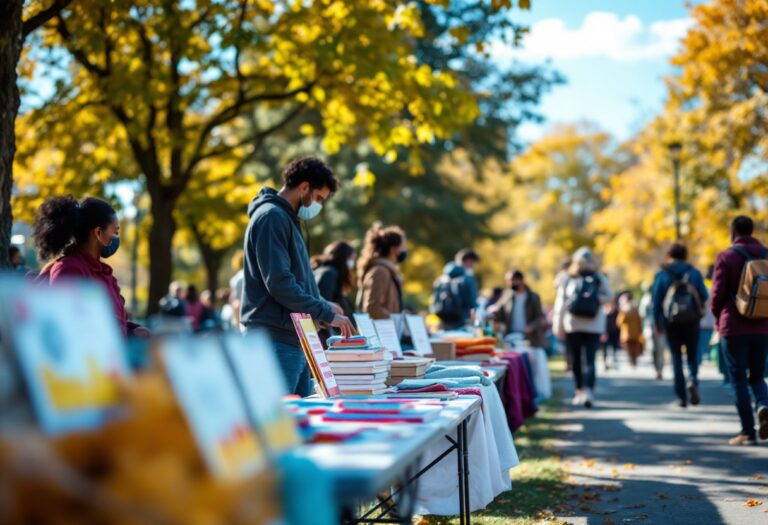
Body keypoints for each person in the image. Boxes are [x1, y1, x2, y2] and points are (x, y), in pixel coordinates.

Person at [240, 157, 354, 396]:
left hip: (296, 340)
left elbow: (297, 280)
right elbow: (280, 283)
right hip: (275, 342)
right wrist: (325, 314)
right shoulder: (272, 217)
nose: (319, 206)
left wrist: (322, 305)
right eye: (319, 198)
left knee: (300, 425)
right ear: (304, 187)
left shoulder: (287, 220)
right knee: (278, 428)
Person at [32, 195, 149, 337]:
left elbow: (116, 321)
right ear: (98, 233)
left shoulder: (105, 274)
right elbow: (74, 323)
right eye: (116, 231)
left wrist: (133, 330)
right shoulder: (68, 269)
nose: (117, 237)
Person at [710, 216, 768, 445]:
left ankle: (747, 431)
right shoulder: (766, 254)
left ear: (733, 231)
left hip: (733, 326)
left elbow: (716, 295)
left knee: (737, 379)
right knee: (757, 375)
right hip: (763, 326)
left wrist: (718, 318)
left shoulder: (726, 256)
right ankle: (763, 405)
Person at [553, 247, 612, 408]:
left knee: (578, 360)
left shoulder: (568, 278)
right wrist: (596, 299)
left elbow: (560, 303)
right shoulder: (598, 278)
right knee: (589, 359)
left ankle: (580, 390)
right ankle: (587, 390)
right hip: (594, 325)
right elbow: (609, 297)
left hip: (573, 324)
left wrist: (557, 325)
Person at [652, 243, 708, 408]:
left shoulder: (662, 274)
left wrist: (657, 322)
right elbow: (703, 296)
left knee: (676, 358)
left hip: (671, 322)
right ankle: (693, 380)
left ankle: (681, 397)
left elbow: (656, 301)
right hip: (692, 321)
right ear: (685, 255)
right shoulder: (695, 273)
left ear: (669, 255)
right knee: (692, 355)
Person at [357, 224, 407, 320]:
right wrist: (395, 320)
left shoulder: (388, 271)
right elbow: (372, 307)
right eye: (402, 247)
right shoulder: (380, 271)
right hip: (383, 332)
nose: (404, 251)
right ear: (393, 249)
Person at [491, 270, 547, 348]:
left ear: (520, 280)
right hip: (511, 336)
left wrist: (531, 326)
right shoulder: (507, 296)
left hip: (530, 339)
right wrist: (492, 312)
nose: (509, 283)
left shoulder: (533, 297)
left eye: (511, 280)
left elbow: (540, 316)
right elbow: (499, 312)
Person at [312, 240, 356, 319]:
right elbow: (324, 304)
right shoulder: (329, 273)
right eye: (351, 259)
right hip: (329, 328)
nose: (352, 263)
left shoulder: (331, 272)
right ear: (343, 257)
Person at [431, 260, 474, 330]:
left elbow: (434, 303)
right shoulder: (465, 280)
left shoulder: (439, 282)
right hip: (460, 321)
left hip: (443, 320)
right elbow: (471, 302)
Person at [639, 282, 666, 380]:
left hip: (658, 327)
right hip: (651, 327)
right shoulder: (646, 299)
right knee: (655, 349)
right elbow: (642, 314)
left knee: (659, 349)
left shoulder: (660, 298)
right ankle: (657, 368)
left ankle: (659, 369)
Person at [617, 291, 643, 367]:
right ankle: (634, 361)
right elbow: (639, 321)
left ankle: (631, 361)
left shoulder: (624, 310)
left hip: (626, 333)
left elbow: (619, 322)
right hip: (635, 333)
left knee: (629, 349)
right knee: (634, 348)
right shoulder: (635, 309)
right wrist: (640, 330)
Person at [601, 298, 621, 370]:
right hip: (606, 332)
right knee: (605, 349)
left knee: (614, 348)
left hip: (614, 332)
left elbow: (619, 323)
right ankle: (605, 363)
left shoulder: (617, 311)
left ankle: (614, 362)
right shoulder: (604, 311)